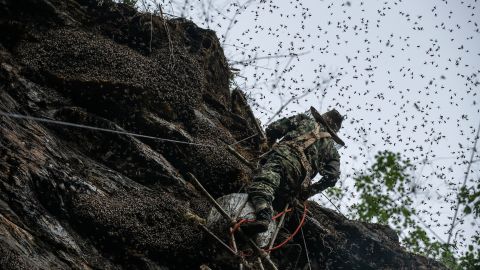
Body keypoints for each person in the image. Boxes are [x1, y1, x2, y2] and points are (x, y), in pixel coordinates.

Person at [241, 107, 345, 234]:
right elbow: (332, 177)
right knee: (281, 204)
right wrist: (308, 193)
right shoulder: (332, 151)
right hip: (298, 181)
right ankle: (272, 232)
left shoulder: (304, 120)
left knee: (262, 185)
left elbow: (275, 128)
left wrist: (268, 145)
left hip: (282, 159)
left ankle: (263, 216)